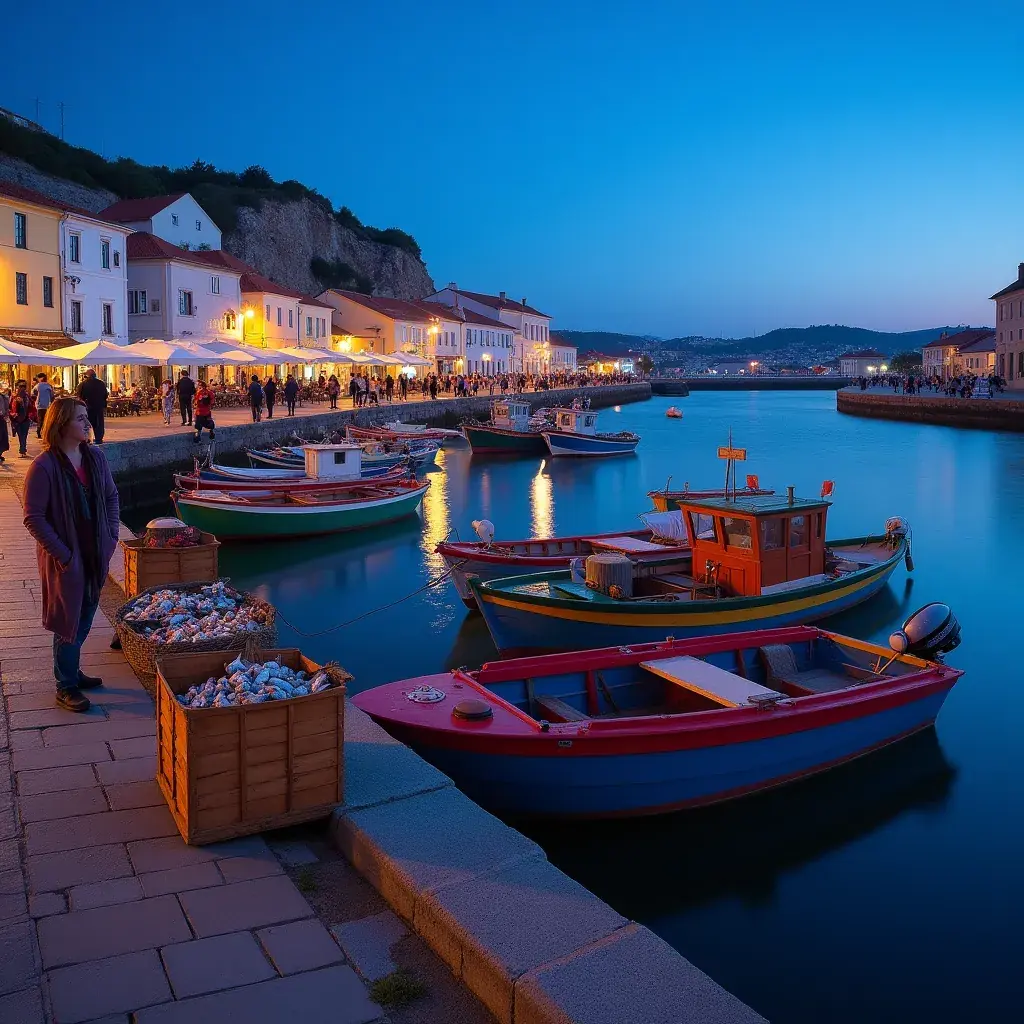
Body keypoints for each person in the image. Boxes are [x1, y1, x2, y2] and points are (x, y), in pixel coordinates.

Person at [23, 397, 120, 713]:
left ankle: (71, 669)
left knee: (87, 612)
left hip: (95, 550)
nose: (87, 423)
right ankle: (65, 685)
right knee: (68, 620)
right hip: (67, 558)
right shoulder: (44, 467)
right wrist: (64, 555)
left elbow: (111, 496)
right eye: (80, 418)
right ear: (61, 424)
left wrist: (112, 536)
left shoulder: (95, 459)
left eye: (87, 417)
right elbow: (33, 517)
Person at [76, 370, 107, 444]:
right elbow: (105, 395)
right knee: (99, 422)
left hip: (88, 406)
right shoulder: (101, 383)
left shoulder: (83, 384)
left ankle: (88, 438)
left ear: (87, 376)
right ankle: (99, 438)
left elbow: (79, 396)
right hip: (99, 406)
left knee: (87, 423)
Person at [10, 379, 34, 457]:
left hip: (26, 419)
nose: (22, 388)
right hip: (17, 419)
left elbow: (31, 407)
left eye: (24, 386)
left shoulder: (27, 397)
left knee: (24, 435)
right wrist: (13, 414)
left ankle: (22, 450)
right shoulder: (13, 397)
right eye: (21, 386)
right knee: (21, 435)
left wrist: (31, 415)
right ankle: (22, 449)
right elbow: (9, 408)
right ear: (17, 387)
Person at [32, 374, 53, 439]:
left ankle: (39, 433)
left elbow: (32, 394)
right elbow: (52, 396)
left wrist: (37, 398)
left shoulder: (37, 386)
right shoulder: (49, 386)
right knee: (46, 420)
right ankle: (45, 433)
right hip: (47, 405)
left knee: (40, 419)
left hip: (40, 405)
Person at [0, 382, 10, 463]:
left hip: (1, 419)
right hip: (1, 419)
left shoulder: (2, 397)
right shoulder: (2, 397)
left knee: (2, 437)